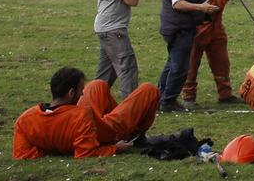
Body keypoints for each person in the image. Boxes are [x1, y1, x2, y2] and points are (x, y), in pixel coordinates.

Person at [12, 66, 157, 158]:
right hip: (110, 132)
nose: (82, 94)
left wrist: (51, 147)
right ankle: (134, 135)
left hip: (87, 122)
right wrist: (115, 148)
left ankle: (114, 115)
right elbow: (85, 152)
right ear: (71, 93)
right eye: (81, 89)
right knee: (149, 90)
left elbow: (21, 152)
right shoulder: (81, 116)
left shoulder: (26, 118)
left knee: (97, 85)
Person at [156, 0, 221, 113]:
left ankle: (161, 97)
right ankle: (168, 101)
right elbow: (178, 3)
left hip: (178, 26)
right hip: (180, 27)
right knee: (180, 66)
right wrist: (201, 8)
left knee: (171, 64)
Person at [182, 0, 244, 106]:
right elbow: (212, 7)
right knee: (192, 62)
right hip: (200, 27)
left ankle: (225, 94)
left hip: (216, 28)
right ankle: (188, 96)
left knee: (222, 62)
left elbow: (222, 0)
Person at [93, 0, 140, 96]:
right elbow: (132, 0)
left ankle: (89, 105)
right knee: (127, 67)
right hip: (113, 30)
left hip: (107, 28)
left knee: (106, 74)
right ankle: (131, 109)